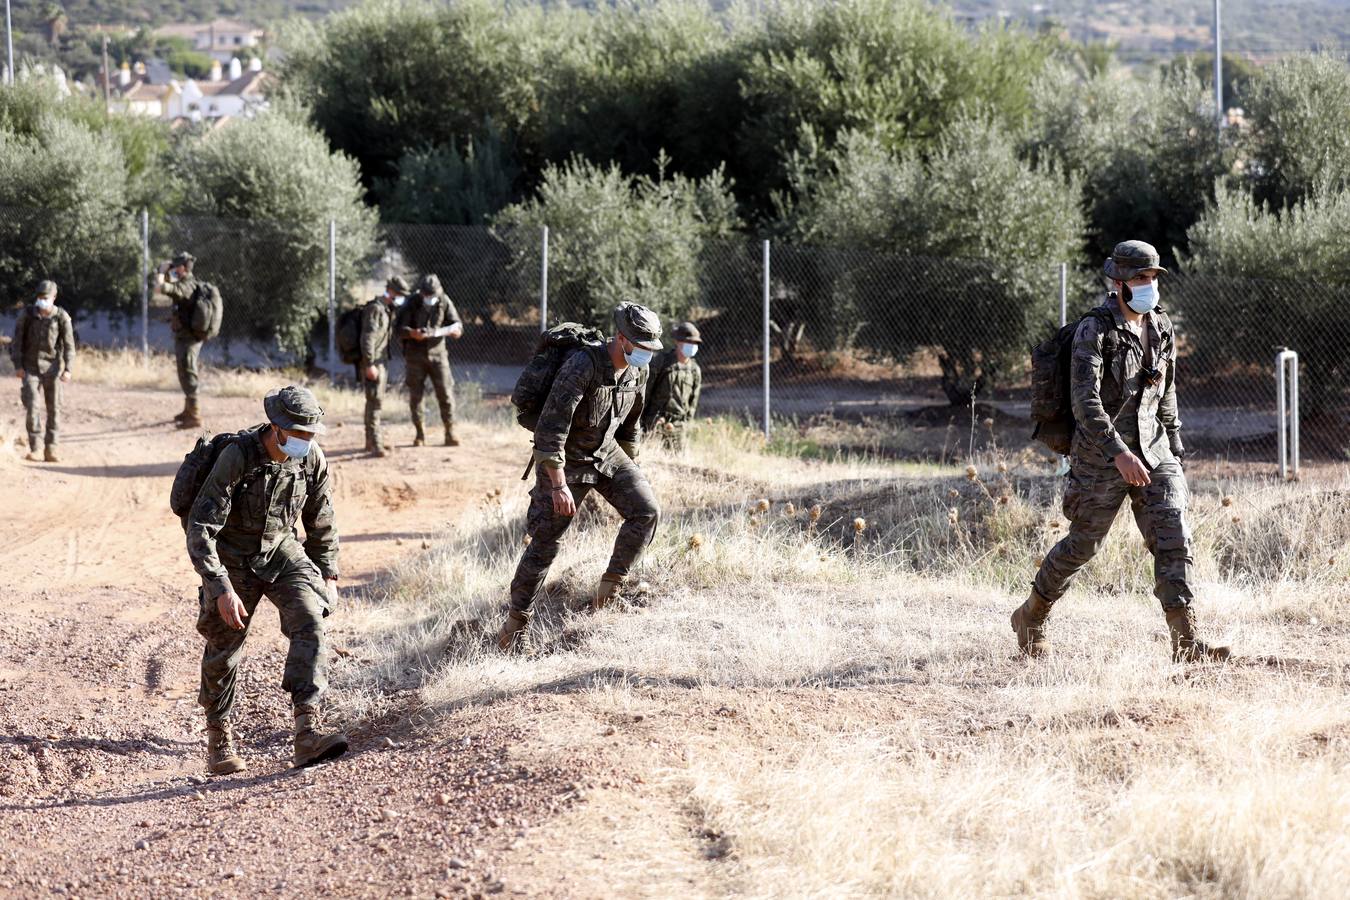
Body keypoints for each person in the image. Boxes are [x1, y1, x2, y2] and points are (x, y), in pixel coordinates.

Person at [1012, 240, 1231, 663]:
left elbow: (1165, 393)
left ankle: (1186, 644)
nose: (1149, 286)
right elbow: (1085, 403)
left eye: (1153, 278)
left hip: (1154, 449)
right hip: (1100, 456)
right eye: (1140, 279)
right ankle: (1032, 616)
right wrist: (1118, 453)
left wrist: (1175, 449)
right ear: (1117, 283)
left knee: (1173, 537)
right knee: (1083, 545)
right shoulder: (1094, 330)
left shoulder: (1162, 325)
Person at [186, 385, 348, 774]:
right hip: (231, 554)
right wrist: (219, 585)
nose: (305, 441)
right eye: (298, 433)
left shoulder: (311, 460)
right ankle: (219, 737)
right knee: (225, 643)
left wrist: (327, 574)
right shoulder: (236, 457)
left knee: (310, 619)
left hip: (280, 550)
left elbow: (321, 520)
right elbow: (201, 526)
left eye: (311, 434)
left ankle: (307, 731)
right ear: (276, 429)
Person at [496, 302, 663, 652]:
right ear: (621, 339)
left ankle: (607, 595)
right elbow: (550, 431)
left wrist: (631, 473)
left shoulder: (638, 372)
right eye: (643, 348)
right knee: (545, 542)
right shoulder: (582, 366)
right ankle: (514, 628)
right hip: (567, 461)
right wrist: (557, 484)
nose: (647, 355)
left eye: (651, 349)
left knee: (646, 510)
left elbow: (630, 427)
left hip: (605, 454)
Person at [10, 280, 75, 463]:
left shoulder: (61, 317)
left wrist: (68, 369)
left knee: (54, 409)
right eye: (39, 297)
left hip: (52, 369)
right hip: (30, 369)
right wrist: (18, 366)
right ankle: (36, 448)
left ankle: (51, 449)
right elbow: (17, 342)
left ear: (54, 298)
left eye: (45, 298)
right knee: (32, 407)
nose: (41, 301)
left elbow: (69, 346)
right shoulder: (27, 315)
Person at [396, 274, 463, 447]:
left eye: (432, 295)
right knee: (416, 396)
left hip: (438, 355)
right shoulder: (412, 302)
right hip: (415, 356)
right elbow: (398, 329)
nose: (429, 298)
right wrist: (412, 333)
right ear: (421, 293)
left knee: (446, 394)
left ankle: (450, 432)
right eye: (426, 295)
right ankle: (420, 434)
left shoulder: (444, 300)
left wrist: (456, 331)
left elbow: (457, 324)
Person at [157, 251, 210, 429]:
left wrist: (160, 273)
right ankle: (188, 410)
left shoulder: (187, 285)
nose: (172, 269)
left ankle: (194, 415)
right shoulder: (182, 282)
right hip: (183, 336)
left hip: (190, 338)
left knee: (188, 371)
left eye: (175, 266)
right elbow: (160, 295)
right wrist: (165, 272)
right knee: (183, 371)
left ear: (182, 267)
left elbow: (163, 289)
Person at [360, 276, 411, 457]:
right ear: (390, 291)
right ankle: (376, 444)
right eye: (399, 294)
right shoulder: (376, 309)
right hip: (374, 362)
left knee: (374, 401)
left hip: (380, 361)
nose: (401, 298)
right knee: (375, 402)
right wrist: (369, 364)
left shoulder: (386, 309)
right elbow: (367, 338)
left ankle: (370, 441)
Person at [642, 320, 703, 448]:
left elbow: (693, 402)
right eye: (688, 341)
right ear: (677, 341)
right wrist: (641, 420)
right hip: (655, 423)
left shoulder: (694, 370)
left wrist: (686, 424)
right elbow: (646, 392)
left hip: (679, 428)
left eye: (694, 343)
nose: (692, 345)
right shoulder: (661, 362)